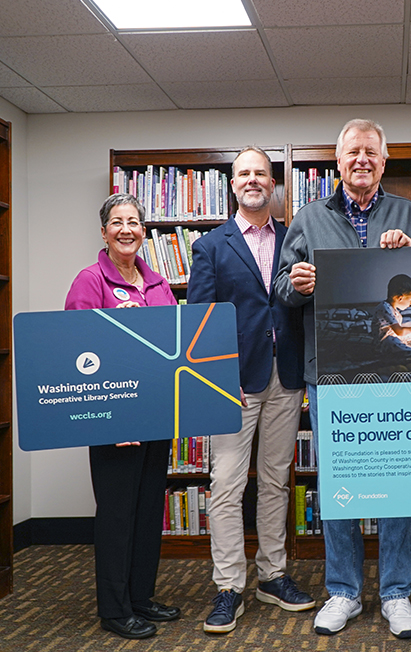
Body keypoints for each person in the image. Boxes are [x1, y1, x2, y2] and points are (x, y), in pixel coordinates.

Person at [274, 118, 411, 639]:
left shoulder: (408, 214)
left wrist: (409, 256)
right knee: (339, 480)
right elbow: (281, 288)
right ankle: (342, 590)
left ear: (384, 162)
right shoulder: (308, 217)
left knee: (397, 480)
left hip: (395, 369)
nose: (361, 160)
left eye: (371, 152)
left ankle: (395, 593)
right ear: (337, 162)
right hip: (333, 371)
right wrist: (297, 284)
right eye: (352, 153)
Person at [187, 146, 313, 635]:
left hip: (286, 376)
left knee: (278, 480)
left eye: (261, 172)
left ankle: (273, 575)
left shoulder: (293, 238)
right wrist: (217, 381)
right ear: (232, 184)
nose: (253, 180)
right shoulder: (210, 247)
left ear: (273, 182)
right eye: (244, 173)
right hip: (235, 382)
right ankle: (228, 586)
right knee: (227, 485)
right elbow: (201, 321)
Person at [65, 193, 181, 640]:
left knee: (149, 511)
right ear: (104, 232)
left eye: (134, 221)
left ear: (144, 230)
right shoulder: (89, 280)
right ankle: (114, 609)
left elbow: (173, 350)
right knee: (116, 515)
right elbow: (77, 354)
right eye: (117, 222)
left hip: (154, 418)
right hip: (113, 421)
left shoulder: (158, 284)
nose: (126, 229)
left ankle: (140, 597)